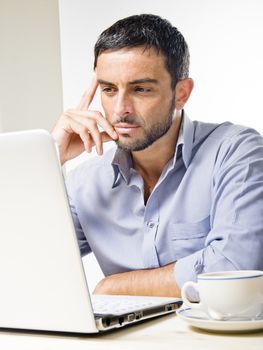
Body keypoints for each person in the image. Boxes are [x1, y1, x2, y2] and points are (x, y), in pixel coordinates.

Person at [52, 14, 263, 298]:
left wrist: (114, 286)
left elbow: (236, 268)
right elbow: (26, 265)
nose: (120, 109)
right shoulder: (84, 183)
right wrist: (51, 159)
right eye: (109, 90)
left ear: (182, 93)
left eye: (141, 89)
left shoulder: (236, 152)